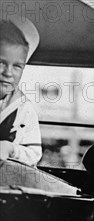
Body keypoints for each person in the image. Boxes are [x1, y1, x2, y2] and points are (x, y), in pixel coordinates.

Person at [0, 18, 42, 167]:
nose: (8, 73)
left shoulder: (24, 109)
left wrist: (10, 148)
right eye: (1, 63)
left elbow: (34, 154)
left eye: (17, 66)